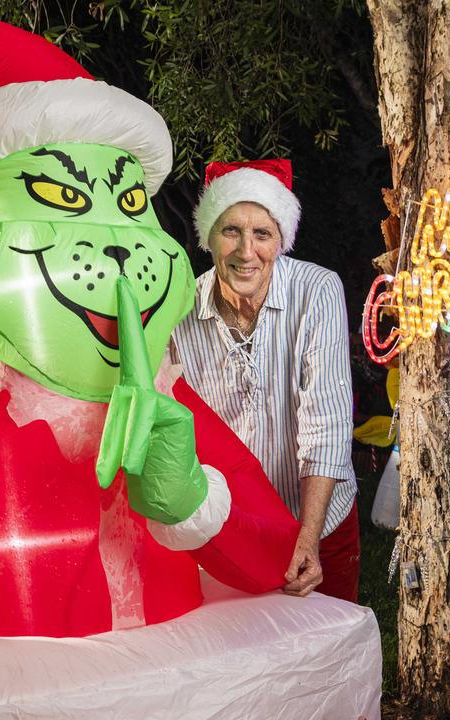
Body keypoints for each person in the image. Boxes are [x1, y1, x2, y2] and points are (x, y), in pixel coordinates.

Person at [172, 159, 359, 603]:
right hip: (232, 526)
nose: (245, 251)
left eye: (262, 234)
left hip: (318, 517)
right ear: (208, 237)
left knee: (325, 654)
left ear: (281, 241)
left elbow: (326, 426)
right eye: (231, 230)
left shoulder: (318, 290)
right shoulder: (179, 308)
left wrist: (307, 537)